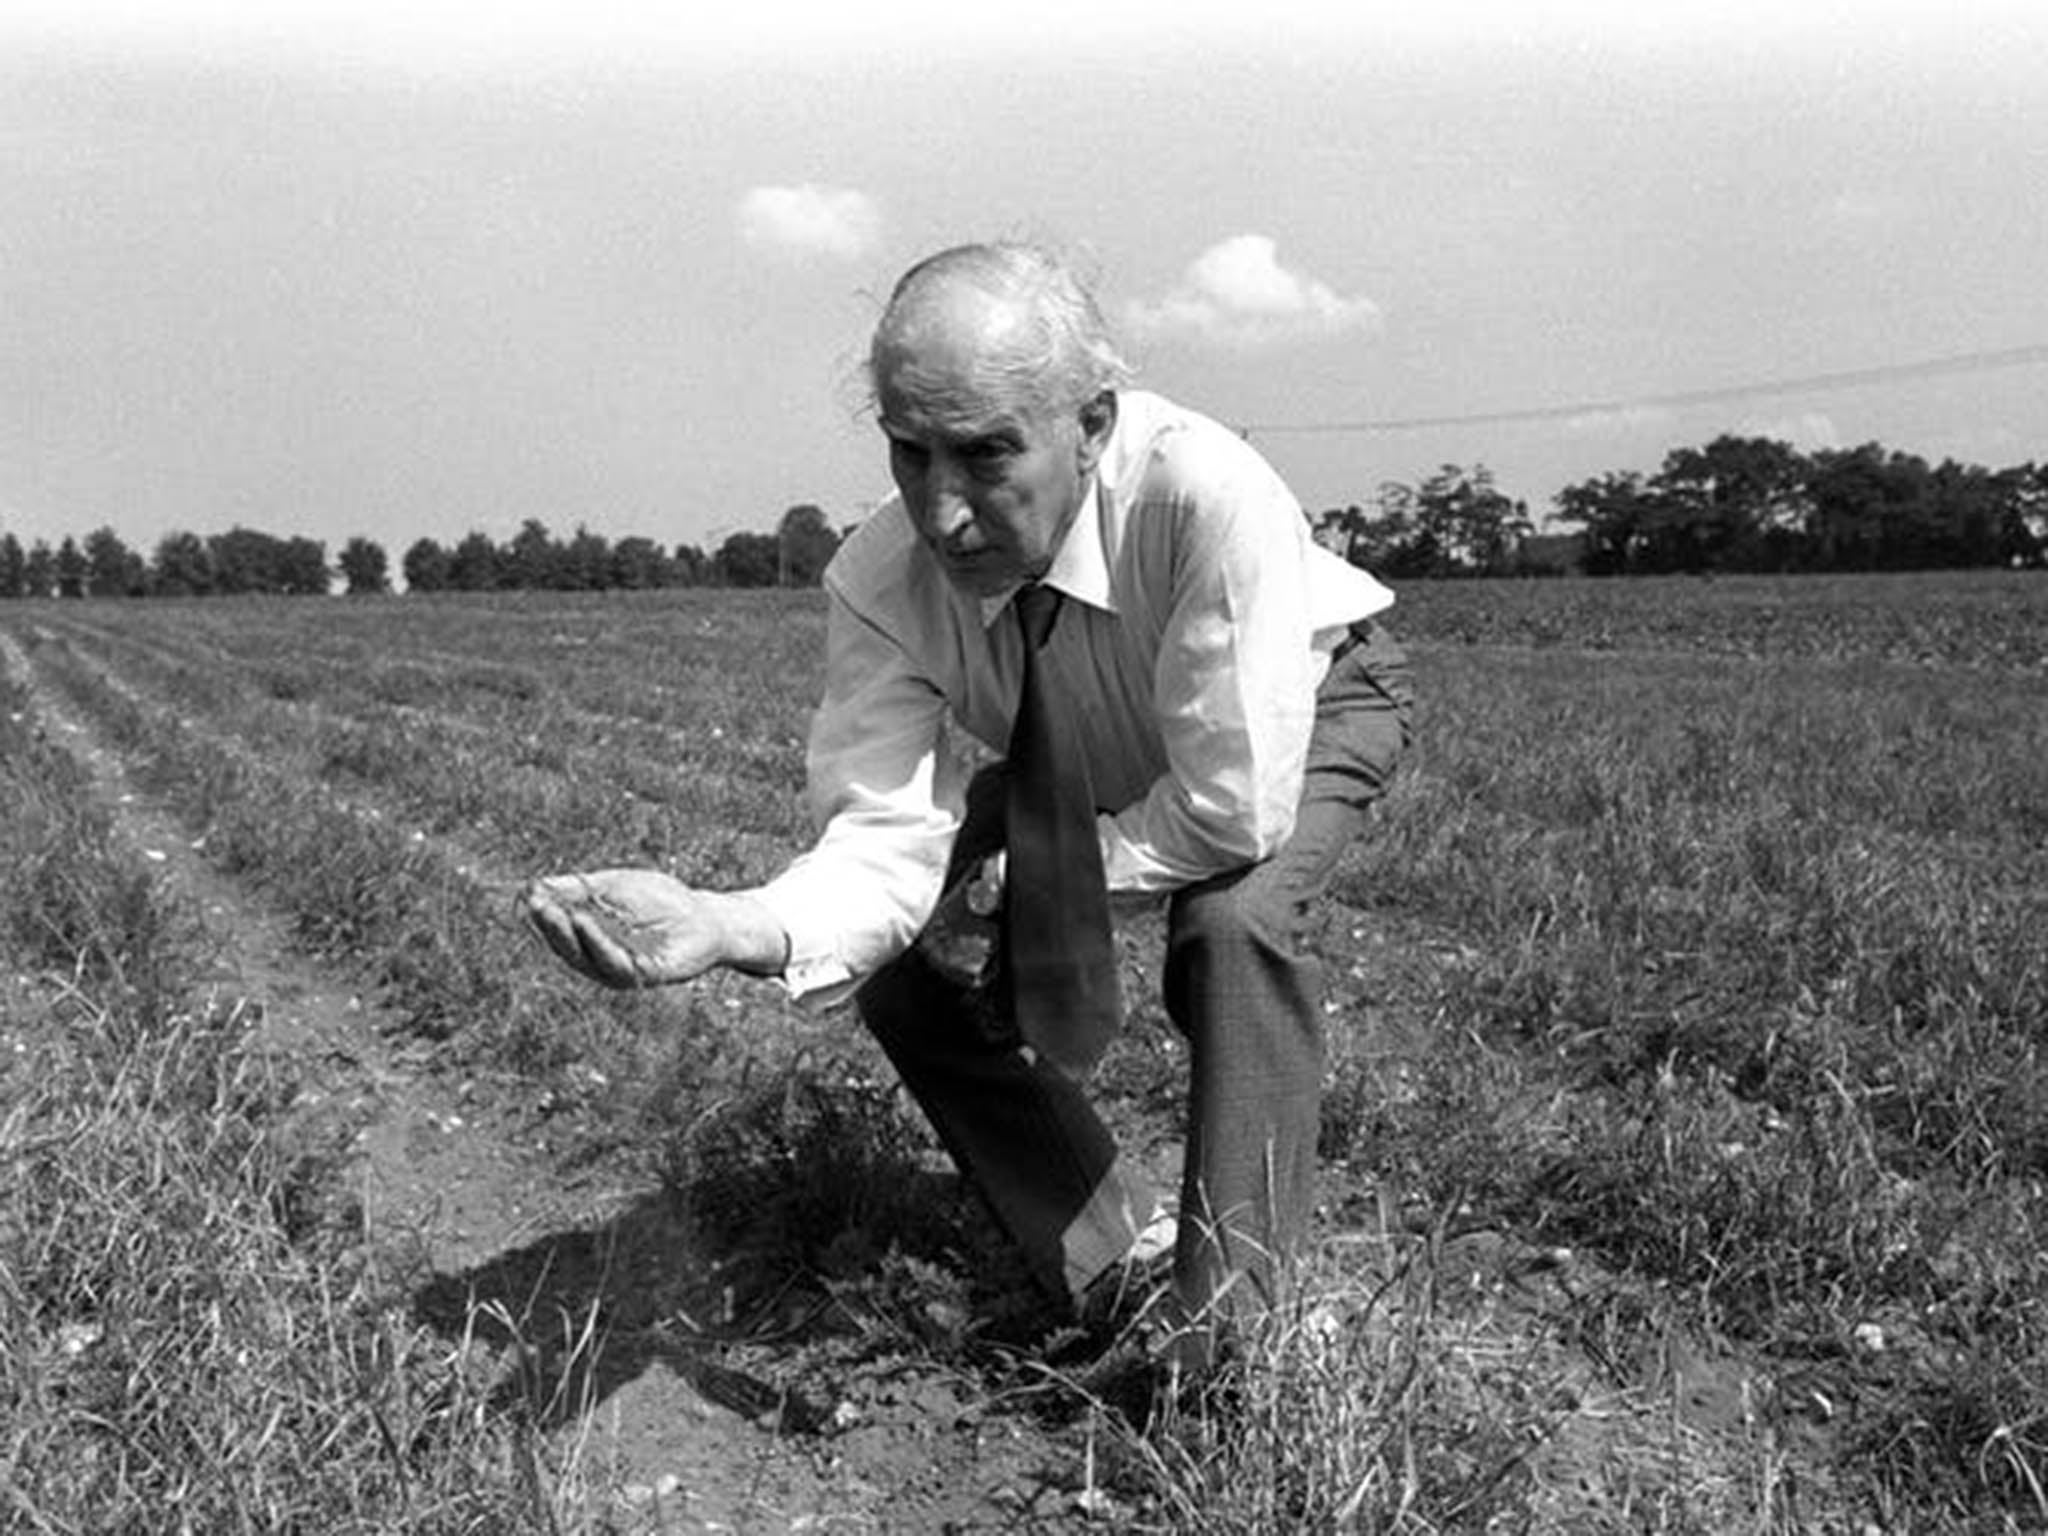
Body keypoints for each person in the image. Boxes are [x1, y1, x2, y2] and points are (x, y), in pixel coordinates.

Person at [524, 240, 1411, 1379]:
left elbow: (1228, 809)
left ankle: (1239, 1340)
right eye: (909, 453)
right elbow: (882, 841)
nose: (943, 514)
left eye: (987, 454)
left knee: (1232, 924)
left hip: (1293, 707)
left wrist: (1043, 879)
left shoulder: (1202, 494)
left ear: (1090, 424)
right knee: (897, 960)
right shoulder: (877, 578)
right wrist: (726, 921)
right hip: (1072, 751)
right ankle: (1115, 1263)